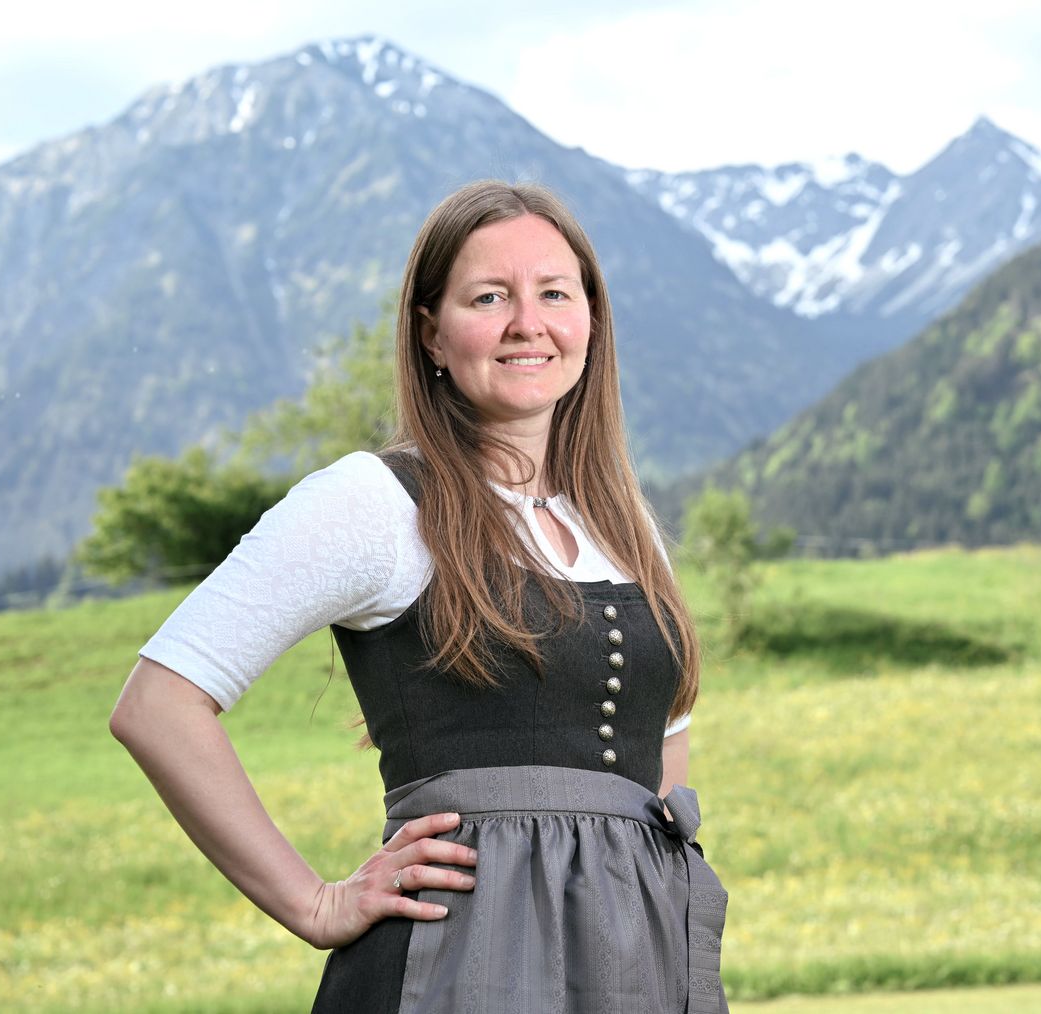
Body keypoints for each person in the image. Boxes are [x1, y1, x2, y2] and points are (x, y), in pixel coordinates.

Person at [109, 180, 728, 1012]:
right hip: (462, 964)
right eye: (488, 297)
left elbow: (658, 771)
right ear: (431, 333)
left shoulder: (624, 525)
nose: (527, 323)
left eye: (554, 293)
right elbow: (158, 704)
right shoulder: (371, 502)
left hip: (631, 969)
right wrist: (315, 902)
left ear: (591, 320)